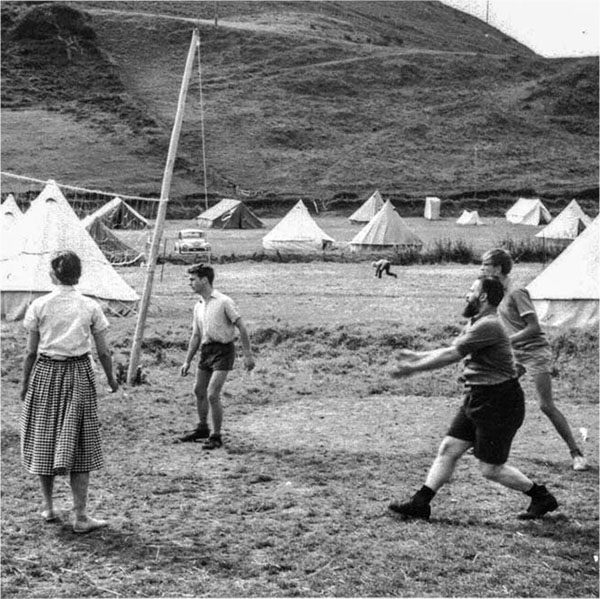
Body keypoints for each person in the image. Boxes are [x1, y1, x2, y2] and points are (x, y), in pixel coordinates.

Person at [387, 276, 558, 521]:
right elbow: (452, 348)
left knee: (491, 469)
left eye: (471, 290)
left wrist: (413, 368)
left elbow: (452, 355)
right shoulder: (476, 322)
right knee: (449, 448)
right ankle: (420, 503)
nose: (467, 295)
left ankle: (541, 496)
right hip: (478, 396)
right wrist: (416, 356)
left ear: (483, 296)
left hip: (499, 402)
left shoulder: (489, 325)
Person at [19, 250, 119, 533]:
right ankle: (81, 517)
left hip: (46, 373)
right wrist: (112, 380)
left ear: (53, 274)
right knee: (81, 444)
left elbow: (30, 352)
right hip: (78, 374)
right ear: (78, 275)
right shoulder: (89, 306)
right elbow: (104, 352)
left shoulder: (40, 305)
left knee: (44, 438)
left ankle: (49, 507)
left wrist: (25, 383)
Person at [480, 248, 588, 471]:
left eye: (485, 265)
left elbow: (534, 327)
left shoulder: (517, 292)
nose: (481, 269)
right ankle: (486, 444)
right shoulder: (495, 292)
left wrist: (506, 341)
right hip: (514, 353)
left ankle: (576, 454)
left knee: (545, 405)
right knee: (494, 394)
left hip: (534, 352)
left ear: (498, 268)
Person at [176, 264, 255, 449]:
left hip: (223, 351)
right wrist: (187, 361)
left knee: (212, 393)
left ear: (204, 280)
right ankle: (203, 428)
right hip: (206, 350)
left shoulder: (224, 301)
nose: (190, 283)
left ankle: (216, 436)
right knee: (199, 390)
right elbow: (196, 335)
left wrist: (248, 355)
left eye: (193, 279)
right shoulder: (198, 306)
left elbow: (242, 327)